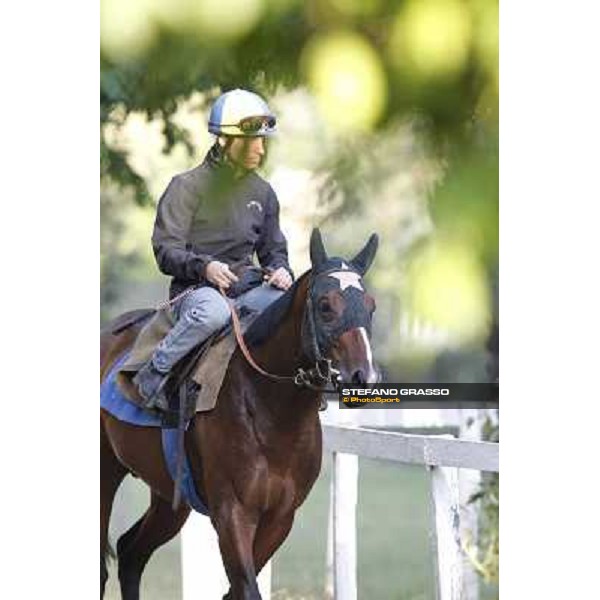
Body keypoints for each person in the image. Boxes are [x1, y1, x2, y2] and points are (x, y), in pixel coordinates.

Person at [134, 88, 293, 411]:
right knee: (213, 313)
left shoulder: (263, 194)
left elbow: (274, 250)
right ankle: (155, 371)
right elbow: (165, 250)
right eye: (253, 141)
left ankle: (294, 391)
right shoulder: (185, 187)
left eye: (264, 141)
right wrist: (204, 267)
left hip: (249, 288)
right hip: (196, 291)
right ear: (224, 140)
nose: (261, 149)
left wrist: (281, 270)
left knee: (293, 308)